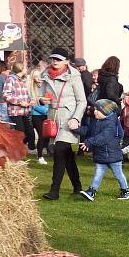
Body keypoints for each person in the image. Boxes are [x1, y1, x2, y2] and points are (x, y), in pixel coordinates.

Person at [39, 47, 87, 200]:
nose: (55, 62)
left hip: (68, 120)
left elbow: (82, 101)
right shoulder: (45, 75)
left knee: (59, 151)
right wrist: (42, 100)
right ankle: (77, 187)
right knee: (66, 155)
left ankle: (54, 191)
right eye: (53, 58)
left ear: (66, 61)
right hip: (53, 119)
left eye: (59, 59)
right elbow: (42, 95)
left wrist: (76, 119)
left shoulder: (74, 76)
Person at [76, 99, 129, 201]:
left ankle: (125, 191)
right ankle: (91, 192)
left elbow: (103, 137)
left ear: (106, 112)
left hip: (112, 155)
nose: (95, 112)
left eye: (98, 110)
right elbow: (89, 131)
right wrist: (76, 128)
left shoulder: (111, 124)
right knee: (98, 173)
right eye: (95, 109)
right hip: (101, 155)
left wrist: (89, 142)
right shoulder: (96, 121)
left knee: (118, 174)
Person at [3, 62, 35, 148]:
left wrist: (30, 101)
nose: (26, 69)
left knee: (30, 133)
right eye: (25, 67)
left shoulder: (22, 80)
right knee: (20, 132)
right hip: (15, 111)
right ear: (20, 69)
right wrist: (20, 102)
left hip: (25, 111)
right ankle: (16, 150)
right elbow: (6, 95)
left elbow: (26, 95)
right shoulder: (10, 79)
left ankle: (18, 147)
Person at [27, 68, 51, 163]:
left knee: (46, 135)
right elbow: (33, 105)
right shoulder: (31, 88)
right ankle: (40, 157)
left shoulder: (44, 86)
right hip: (36, 115)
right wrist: (46, 110)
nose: (38, 78)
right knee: (41, 135)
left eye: (39, 76)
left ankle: (44, 150)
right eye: (36, 76)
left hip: (45, 114)